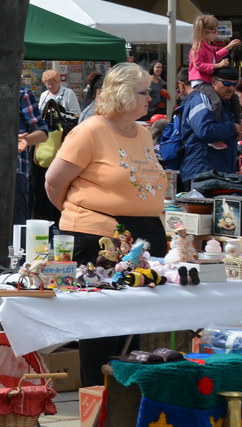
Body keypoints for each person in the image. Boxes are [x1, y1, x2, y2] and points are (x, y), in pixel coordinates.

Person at [44, 62, 168, 384]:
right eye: (145, 92)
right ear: (125, 95)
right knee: (101, 329)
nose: (151, 99)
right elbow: (54, 183)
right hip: (100, 239)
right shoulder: (90, 130)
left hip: (143, 240)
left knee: (134, 328)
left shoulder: (141, 132)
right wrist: (83, 216)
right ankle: (97, 401)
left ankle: (124, 404)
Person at [179, 77, 242, 187]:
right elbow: (204, 130)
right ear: (213, 82)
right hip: (202, 171)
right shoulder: (200, 98)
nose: (231, 88)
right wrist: (233, 127)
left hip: (220, 172)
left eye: (234, 84)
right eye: (227, 83)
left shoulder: (226, 103)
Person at [16, 80, 49, 227]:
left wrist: (25, 140)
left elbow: (43, 133)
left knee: (16, 233)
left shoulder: (22, 94)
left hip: (15, 173)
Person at [187, 14, 240, 86]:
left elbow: (215, 57)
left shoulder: (206, 46)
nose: (216, 34)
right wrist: (218, 65)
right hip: (200, 82)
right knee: (214, 97)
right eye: (214, 31)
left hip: (206, 80)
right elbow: (199, 65)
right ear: (204, 32)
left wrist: (229, 47)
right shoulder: (199, 47)